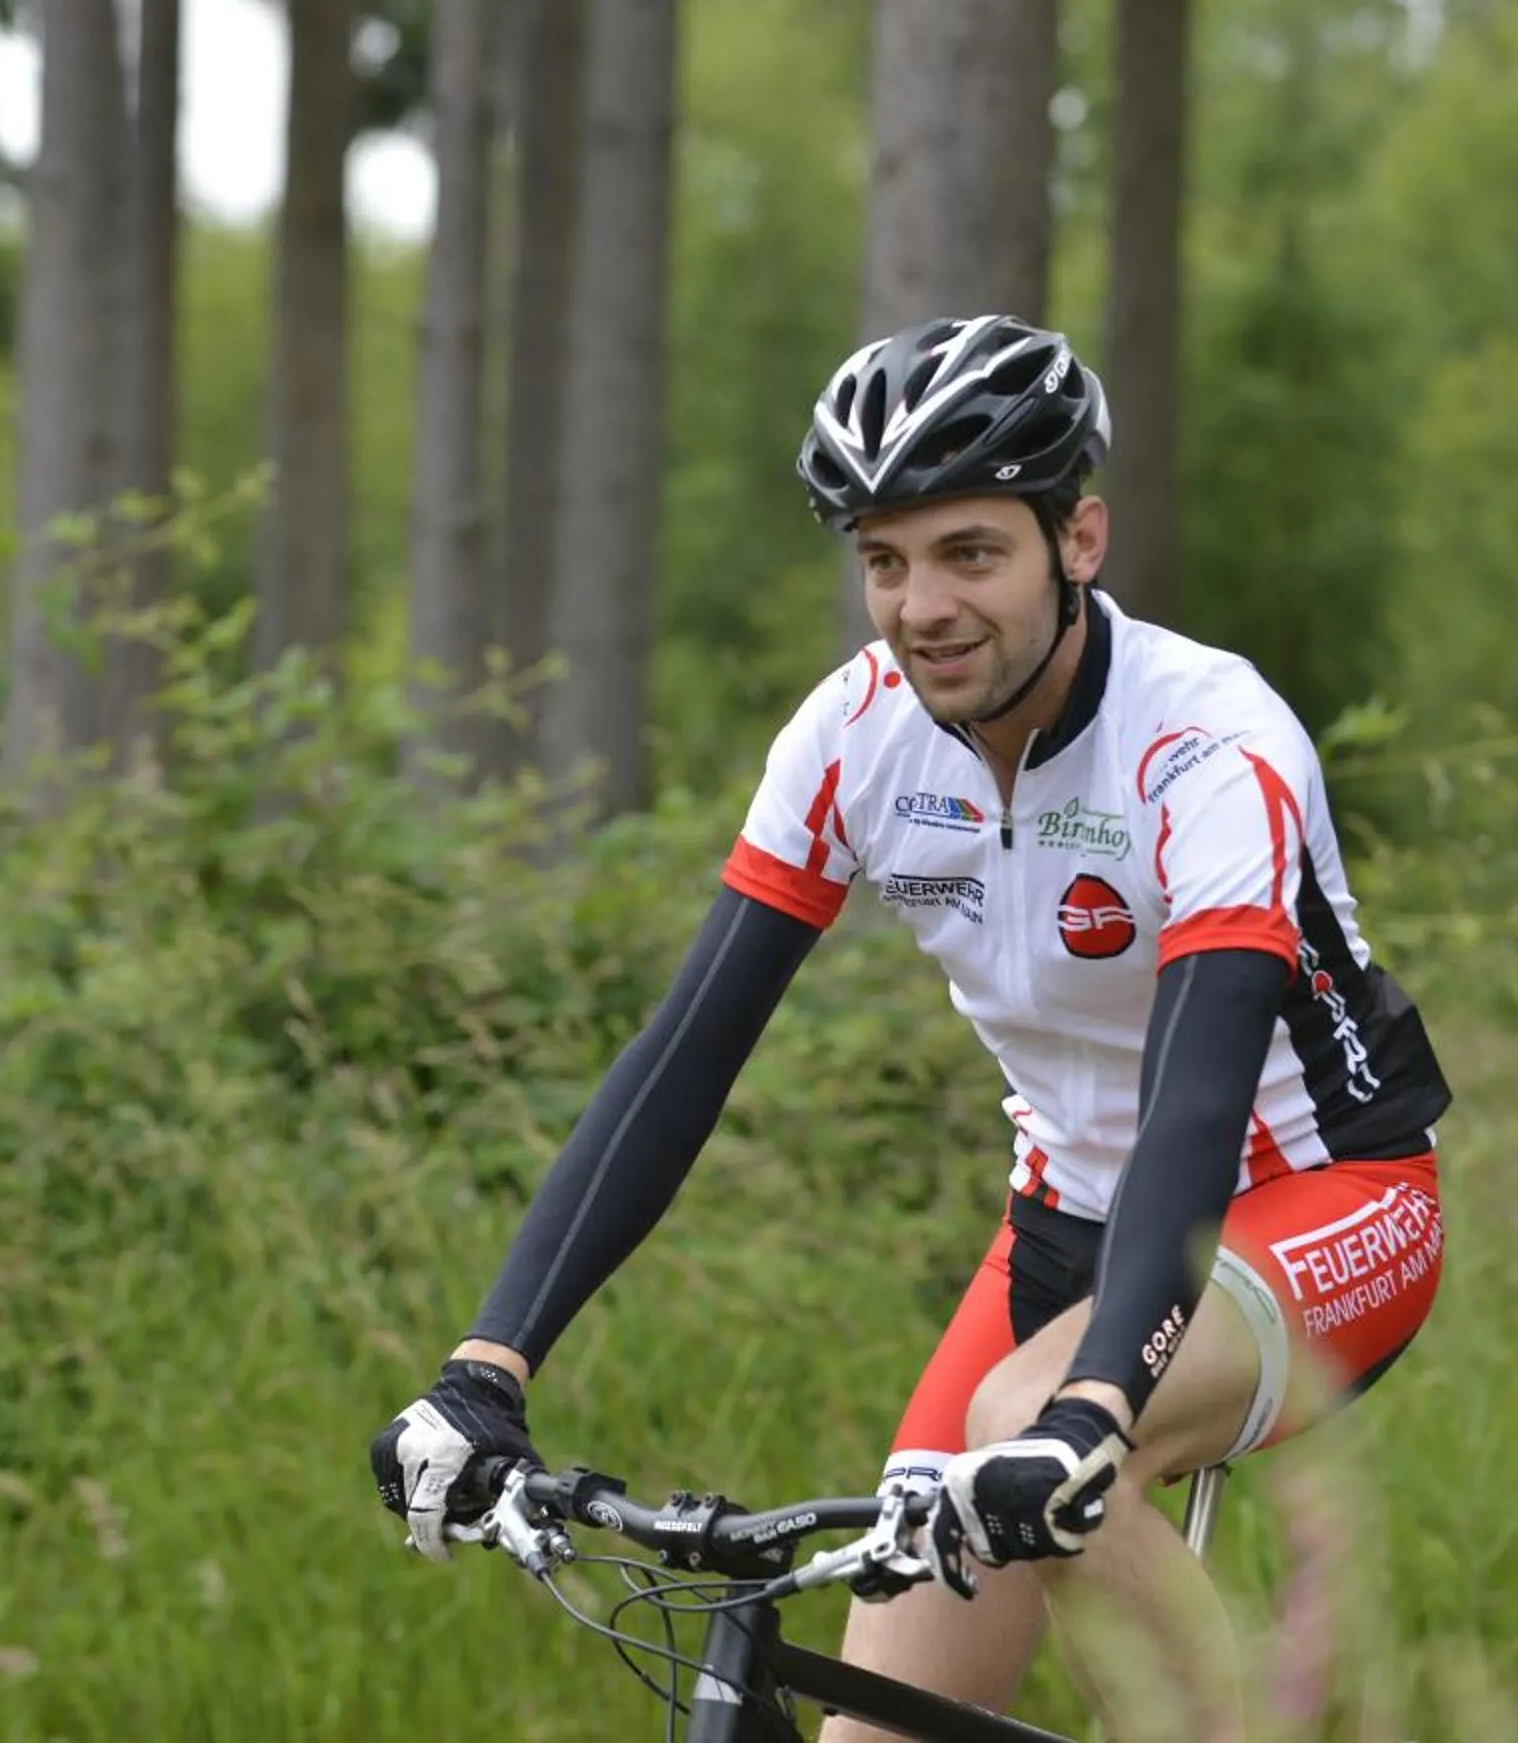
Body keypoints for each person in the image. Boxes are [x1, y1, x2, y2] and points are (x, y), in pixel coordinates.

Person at [371, 314, 1454, 1741]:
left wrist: (1089, 1407)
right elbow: (685, 1058)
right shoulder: (851, 738)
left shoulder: (1209, 742)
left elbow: (1194, 1109)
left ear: (1079, 538)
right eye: (883, 560)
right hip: (1063, 1229)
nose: (921, 605)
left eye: (969, 553)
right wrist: (489, 1363)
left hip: (1318, 1198)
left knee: (1029, 1436)